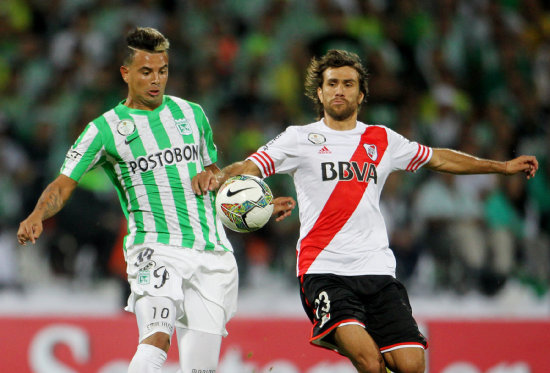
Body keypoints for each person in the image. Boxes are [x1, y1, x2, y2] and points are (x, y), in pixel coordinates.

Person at [192, 49, 539, 373]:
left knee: (412, 364)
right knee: (370, 363)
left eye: (348, 84)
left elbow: (440, 158)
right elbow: (250, 166)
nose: (339, 90)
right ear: (321, 93)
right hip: (323, 269)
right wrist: (219, 174)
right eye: (332, 84)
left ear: (361, 94)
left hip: (376, 268)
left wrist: (502, 167)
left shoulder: (382, 139)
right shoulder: (299, 138)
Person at [17, 27, 295, 373]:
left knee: (201, 368)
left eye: (162, 71)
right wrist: (37, 215)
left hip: (212, 253)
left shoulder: (192, 114)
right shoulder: (103, 130)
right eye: (146, 72)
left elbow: (214, 177)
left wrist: (260, 206)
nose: (156, 80)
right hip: (155, 248)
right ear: (126, 73)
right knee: (156, 340)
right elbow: (62, 184)